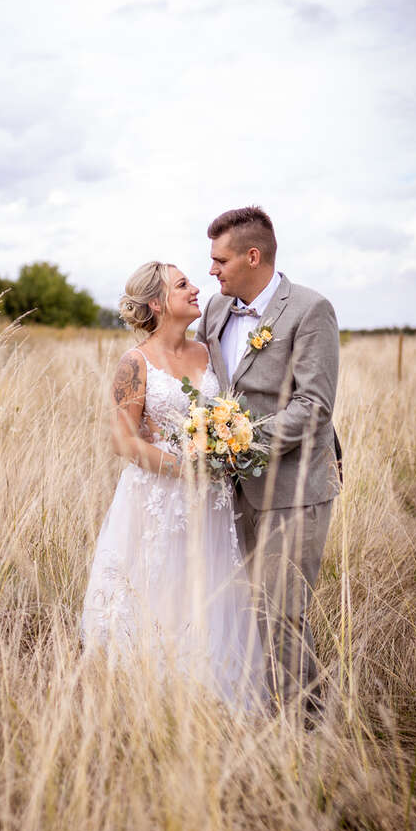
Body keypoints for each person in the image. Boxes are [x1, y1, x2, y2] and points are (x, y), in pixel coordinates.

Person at [81, 261, 266, 709]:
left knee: (209, 590)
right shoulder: (135, 363)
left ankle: (211, 701)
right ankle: (146, 700)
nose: (197, 289)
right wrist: (183, 467)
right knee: (157, 588)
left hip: (212, 502)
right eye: (183, 285)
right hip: (155, 501)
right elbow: (123, 440)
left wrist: (225, 449)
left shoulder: (210, 352)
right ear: (157, 303)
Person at [196, 206, 341, 722]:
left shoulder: (309, 310)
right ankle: (256, 712)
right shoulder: (215, 310)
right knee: (241, 607)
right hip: (230, 491)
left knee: (282, 612)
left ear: (252, 256)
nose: (211, 270)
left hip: (293, 488)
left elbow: (314, 407)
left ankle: (305, 728)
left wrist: (239, 443)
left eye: (220, 260)